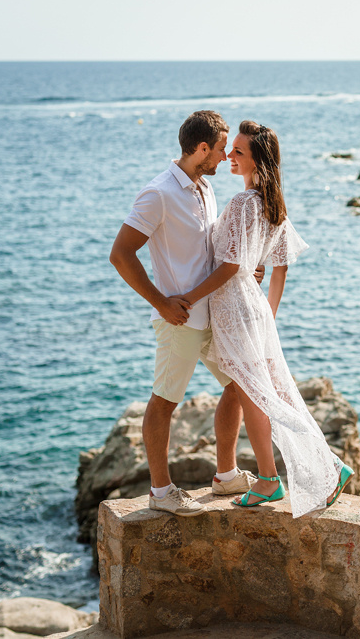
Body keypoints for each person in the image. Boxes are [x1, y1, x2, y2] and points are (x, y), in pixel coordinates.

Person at [176, 120, 353, 517]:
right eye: (231, 150)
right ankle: (321, 467)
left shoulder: (242, 204)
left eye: (239, 152)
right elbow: (280, 268)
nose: (230, 157)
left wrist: (187, 297)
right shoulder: (273, 204)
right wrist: (268, 315)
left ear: (257, 160)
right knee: (264, 391)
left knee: (258, 394)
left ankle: (275, 480)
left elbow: (229, 267)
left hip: (236, 308)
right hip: (254, 307)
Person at [109, 110, 262, 517]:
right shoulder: (158, 193)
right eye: (221, 148)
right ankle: (161, 492)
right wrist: (160, 302)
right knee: (164, 402)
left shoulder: (205, 187)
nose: (226, 155)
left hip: (215, 314)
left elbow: (209, 250)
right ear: (201, 149)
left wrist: (245, 266)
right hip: (179, 320)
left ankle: (226, 474)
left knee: (238, 385)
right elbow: (121, 254)